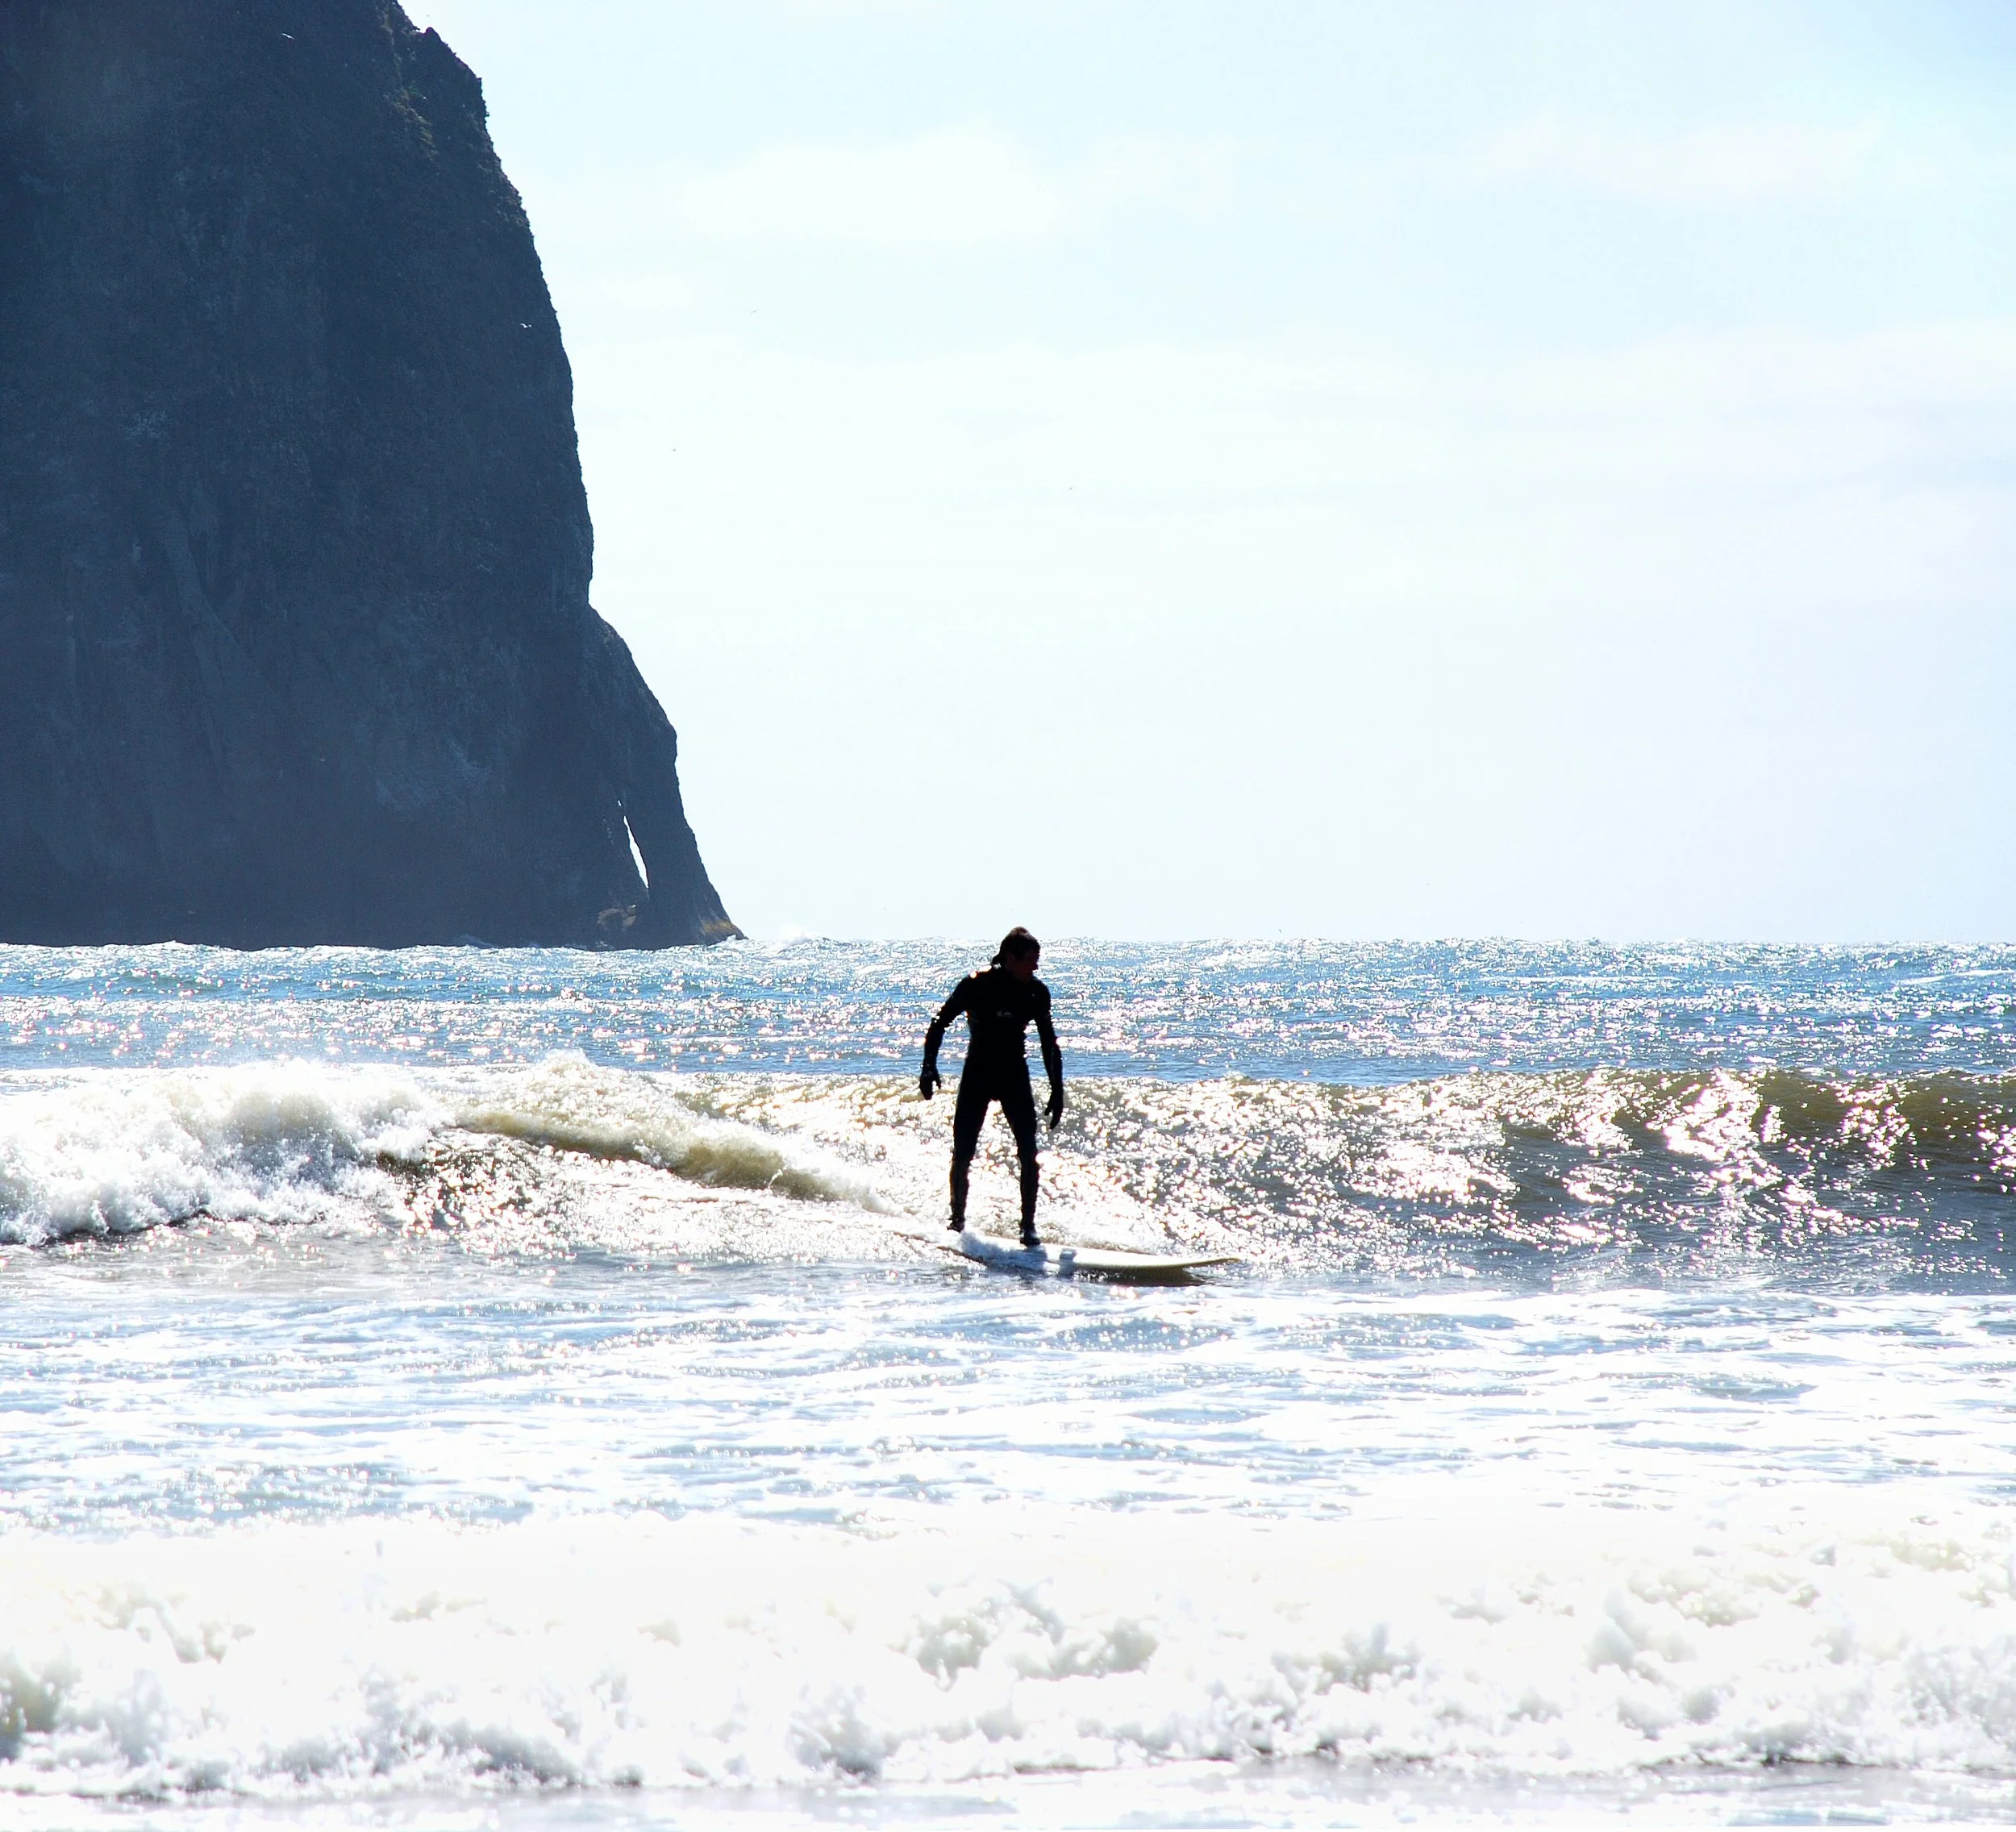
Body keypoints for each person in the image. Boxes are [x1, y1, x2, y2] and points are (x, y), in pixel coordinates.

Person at [918, 926, 1064, 1248]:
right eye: (1030, 960)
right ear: (1010, 958)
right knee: (964, 1151)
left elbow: (1049, 1044)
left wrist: (1057, 1088)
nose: (1036, 967)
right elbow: (940, 1022)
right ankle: (957, 1222)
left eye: (1037, 960)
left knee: (1029, 1152)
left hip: (1014, 1073)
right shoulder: (977, 983)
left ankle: (1028, 1228)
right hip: (979, 1073)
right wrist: (929, 1067)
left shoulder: (1036, 993)